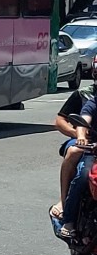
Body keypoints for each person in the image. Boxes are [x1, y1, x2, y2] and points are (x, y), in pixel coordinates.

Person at [52, 56, 97, 238]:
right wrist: (80, 136)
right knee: (80, 165)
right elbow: (75, 120)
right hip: (86, 144)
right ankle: (66, 211)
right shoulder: (87, 96)